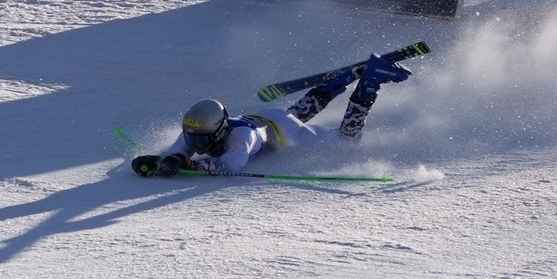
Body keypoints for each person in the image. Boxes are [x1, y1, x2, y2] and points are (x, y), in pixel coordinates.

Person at [131, 53, 411, 177]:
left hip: (284, 133)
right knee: (296, 113)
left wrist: (191, 168)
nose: (196, 145)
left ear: (217, 130)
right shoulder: (195, 131)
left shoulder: (241, 138)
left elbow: (230, 166)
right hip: (272, 118)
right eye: (193, 138)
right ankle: (340, 79)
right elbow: (178, 151)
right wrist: (162, 162)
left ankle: (371, 80)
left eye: (201, 140)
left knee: (348, 140)